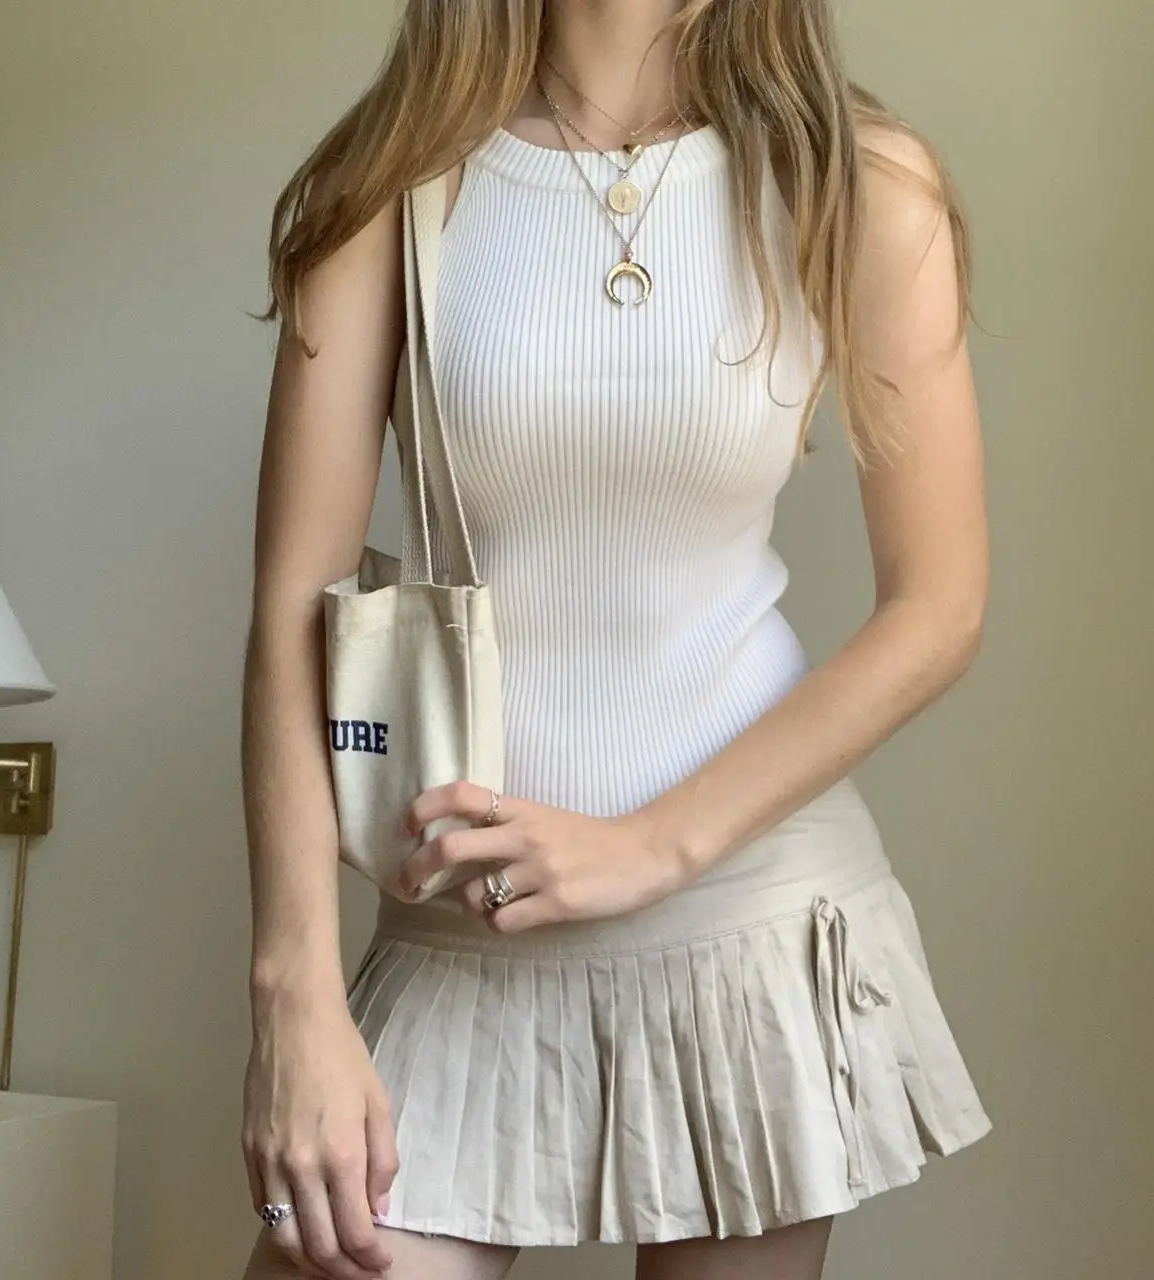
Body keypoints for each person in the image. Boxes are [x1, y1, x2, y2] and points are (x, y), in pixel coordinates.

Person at [238, 2, 992, 1277]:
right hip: (463, 937)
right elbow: (288, 613)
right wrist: (292, 994)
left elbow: (938, 604)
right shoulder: (388, 181)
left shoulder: (855, 179)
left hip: (748, 920)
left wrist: (650, 844)